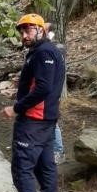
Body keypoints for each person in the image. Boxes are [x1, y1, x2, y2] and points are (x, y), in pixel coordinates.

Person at [1, 13, 65, 192]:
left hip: (34, 122)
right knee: (46, 166)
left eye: (28, 30)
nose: (24, 35)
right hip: (46, 121)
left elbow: (43, 88)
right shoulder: (43, 51)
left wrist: (16, 107)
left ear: (41, 30)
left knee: (22, 168)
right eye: (21, 31)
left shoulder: (44, 52)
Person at [44, 23, 65, 164]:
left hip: (52, 94)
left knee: (53, 123)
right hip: (51, 94)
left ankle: (58, 151)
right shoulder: (54, 48)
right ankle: (53, 149)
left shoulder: (55, 49)